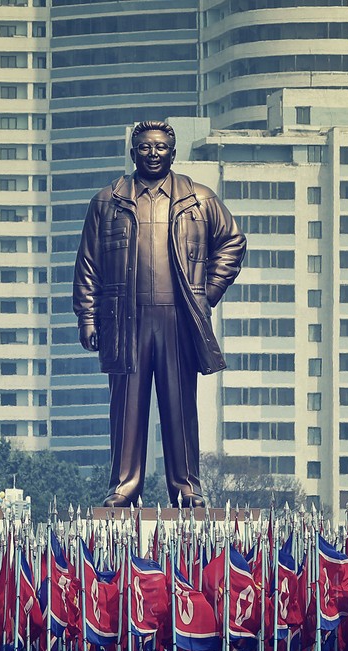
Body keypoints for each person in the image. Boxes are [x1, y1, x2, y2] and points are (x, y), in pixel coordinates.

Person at [71, 119, 247, 508]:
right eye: (145, 147)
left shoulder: (198, 198)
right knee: (126, 407)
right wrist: (87, 317)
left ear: (173, 152)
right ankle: (124, 485)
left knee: (180, 405)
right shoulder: (107, 200)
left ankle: (186, 487)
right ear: (132, 152)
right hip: (124, 319)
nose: (153, 153)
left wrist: (206, 295)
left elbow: (233, 242)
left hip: (178, 317)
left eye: (160, 147)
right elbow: (88, 264)